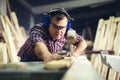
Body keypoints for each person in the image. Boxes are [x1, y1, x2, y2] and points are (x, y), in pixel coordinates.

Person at [17, 8, 87, 62]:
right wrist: (47, 56)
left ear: (67, 26)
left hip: (46, 61)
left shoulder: (68, 32)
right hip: (26, 61)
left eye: (62, 28)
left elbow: (82, 42)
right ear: (47, 23)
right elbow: (38, 46)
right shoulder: (38, 30)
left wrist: (74, 54)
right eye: (55, 27)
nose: (59, 31)